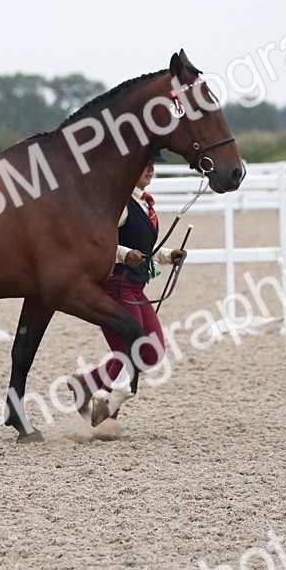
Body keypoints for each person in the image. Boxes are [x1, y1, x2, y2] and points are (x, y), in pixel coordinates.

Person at [69, 153, 186, 425]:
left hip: (134, 287)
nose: (151, 169)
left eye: (153, 164)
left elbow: (143, 251)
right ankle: (105, 416)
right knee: (130, 352)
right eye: (144, 164)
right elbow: (93, 242)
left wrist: (168, 256)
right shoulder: (119, 203)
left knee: (152, 351)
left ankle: (88, 383)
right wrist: (123, 255)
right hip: (115, 287)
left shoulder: (142, 203)